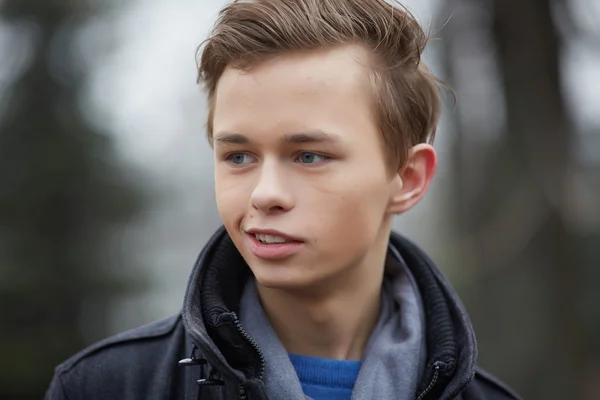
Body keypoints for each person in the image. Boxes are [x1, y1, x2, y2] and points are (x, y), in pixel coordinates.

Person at [45, 0, 522, 399]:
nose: (265, 193)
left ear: (408, 178)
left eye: (309, 156)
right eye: (238, 156)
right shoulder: (105, 387)